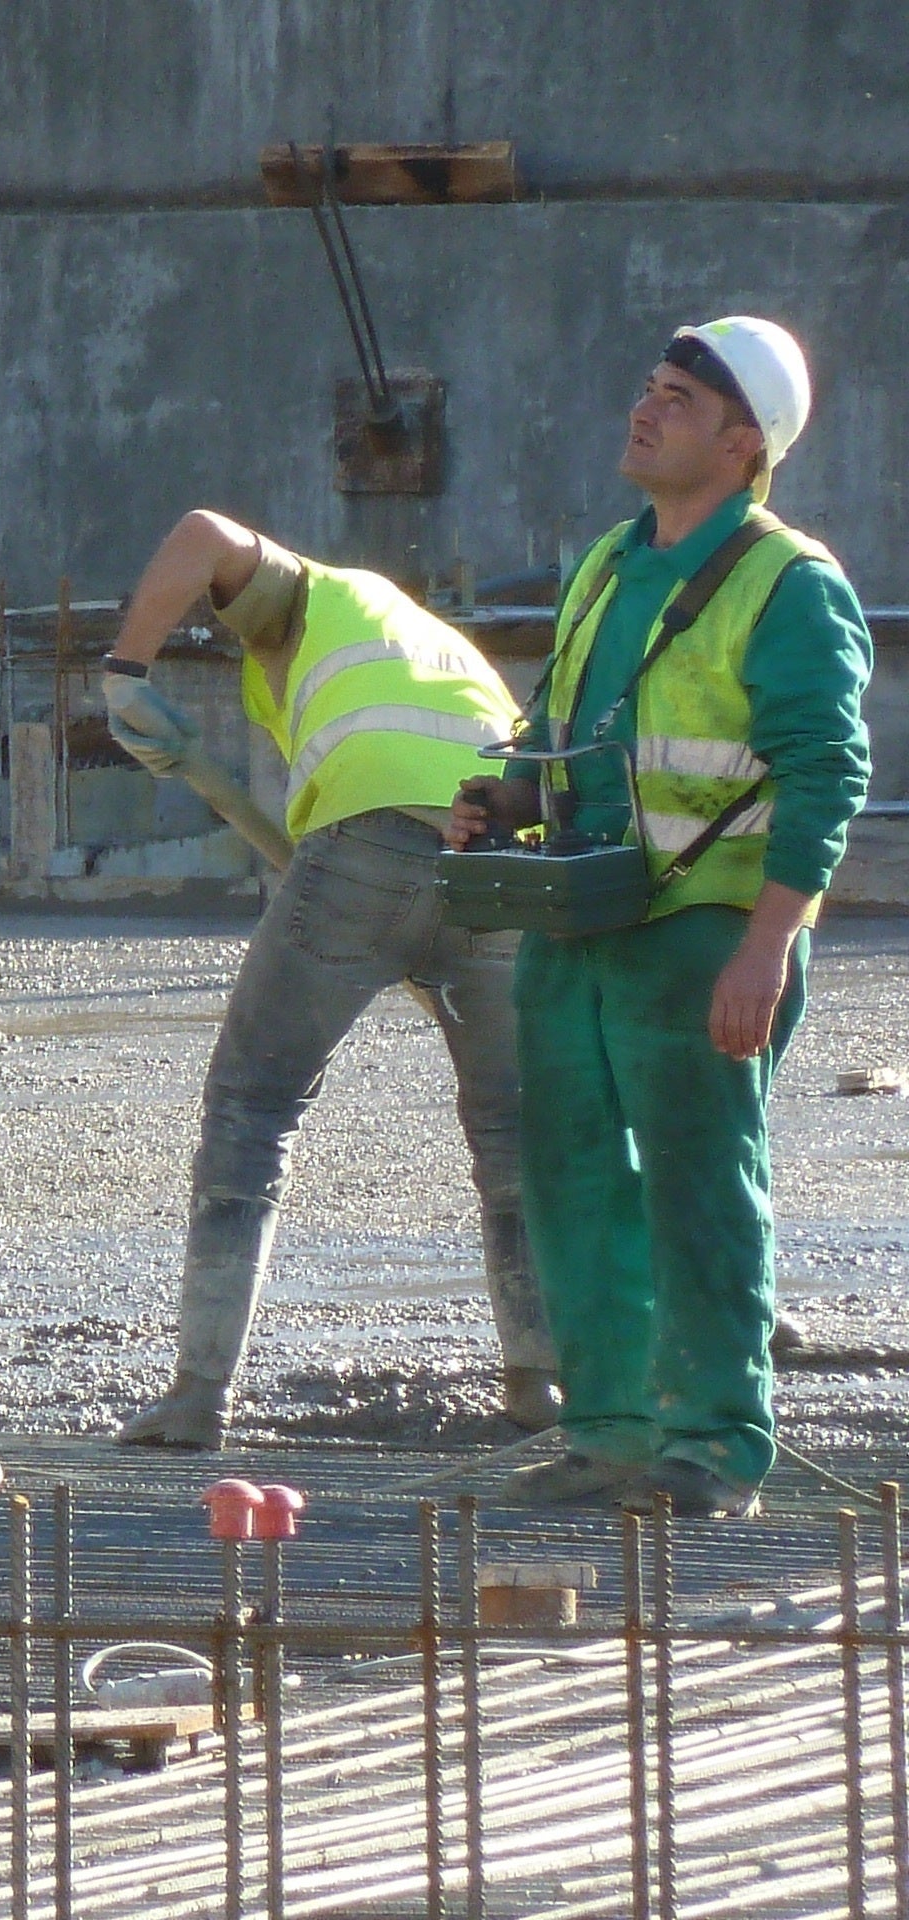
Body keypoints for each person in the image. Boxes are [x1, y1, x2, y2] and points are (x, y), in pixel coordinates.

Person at [450, 317, 870, 1519]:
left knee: (695, 1181)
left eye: (676, 400)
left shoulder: (788, 584)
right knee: (573, 1177)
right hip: (581, 919)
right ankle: (611, 1432)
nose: (643, 410)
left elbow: (823, 774)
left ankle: (716, 1443)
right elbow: (561, 734)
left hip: (703, 927)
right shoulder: (606, 563)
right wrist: (504, 796)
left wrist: (766, 943)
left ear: (744, 445)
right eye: (647, 388)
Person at [105, 510, 558, 1448]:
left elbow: (196, 533)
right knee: (516, 1137)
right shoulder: (429, 654)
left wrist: (123, 675)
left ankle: (197, 1399)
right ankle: (538, 1385)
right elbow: (321, 857)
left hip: (374, 847)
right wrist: (200, 766)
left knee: (251, 1105)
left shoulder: (315, 596)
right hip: (501, 853)